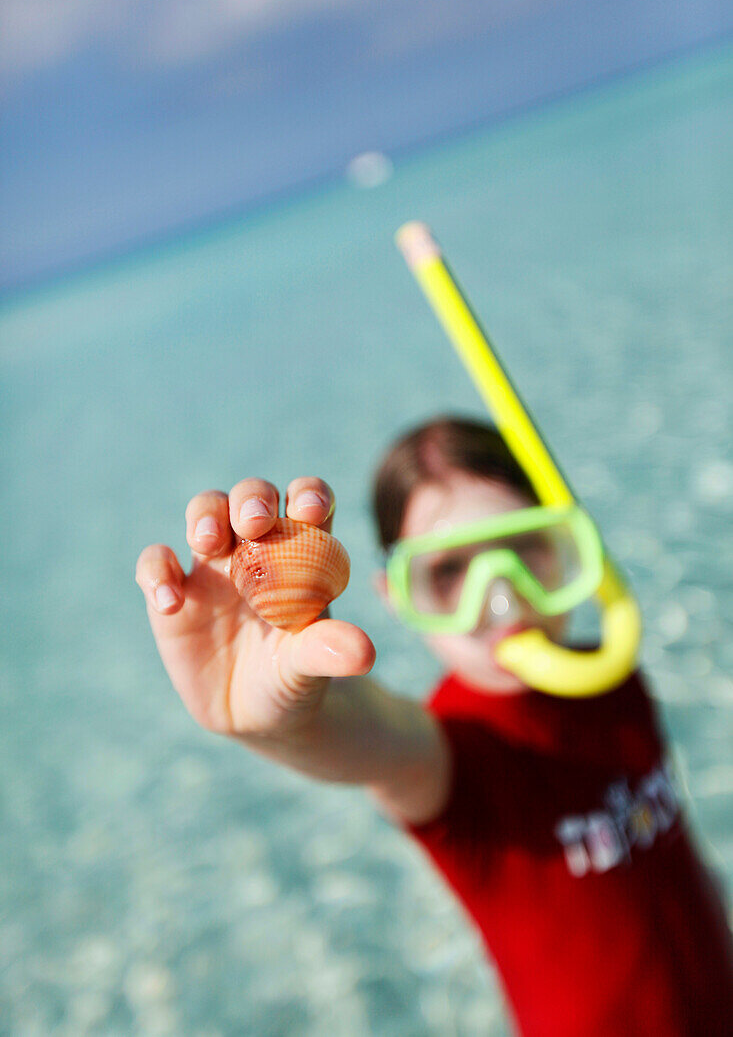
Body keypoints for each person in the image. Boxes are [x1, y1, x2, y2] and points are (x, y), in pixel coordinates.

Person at [136, 415, 733, 1036]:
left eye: (523, 547)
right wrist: (285, 722)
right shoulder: (451, 749)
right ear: (396, 597)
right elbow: (368, 737)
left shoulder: (616, 680)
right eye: (450, 573)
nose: (502, 599)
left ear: (565, 545)